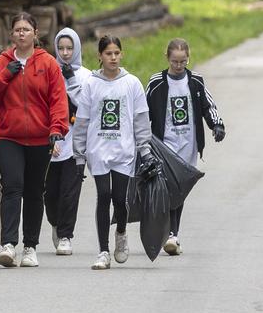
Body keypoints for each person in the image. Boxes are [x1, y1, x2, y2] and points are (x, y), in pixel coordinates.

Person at [0, 12, 69, 269]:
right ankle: (8, 244)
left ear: (35, 33)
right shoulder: (1, 62)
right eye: (17, 29)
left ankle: (30, 246)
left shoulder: (48, 63)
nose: (21, 33)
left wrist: (57, 129)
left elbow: (58, 100)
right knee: (12, 186)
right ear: (11, 34)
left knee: (33, 191)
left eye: (26, 29)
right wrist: (5, 75)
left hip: (41, 138)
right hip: (8, 136)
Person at [73, 35, 152, 270]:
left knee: (120, 199)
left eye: (117, 53)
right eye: (108, 53)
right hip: (98, 149)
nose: (113, 57)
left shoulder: (132, 83)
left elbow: (140, 119)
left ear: (122, 54)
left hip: (123, 150)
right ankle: (103, 251)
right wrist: (79, 154)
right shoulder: (90, 84)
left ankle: (121, 231)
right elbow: (83, 120)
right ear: (99, 56)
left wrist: (144, 148)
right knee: (103, 195)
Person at [145, 38, 226, 256]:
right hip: (165, 144)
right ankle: (171, 233)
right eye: (175, 62)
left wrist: (216, 125)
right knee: (169, 187)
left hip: (189, 144)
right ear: (167, 58)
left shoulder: (196, 81)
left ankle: (172, 234)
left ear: (188, 58)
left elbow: (208, 106)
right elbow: (143, 112)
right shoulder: (156, 83)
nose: (179, 66)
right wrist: (141, 137)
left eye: (183, 61)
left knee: (180, 189)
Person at [44, 26, 90, 255]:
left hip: (75, 144)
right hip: (52, 142)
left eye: (69, 48)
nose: (65, 53)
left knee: (70, 192)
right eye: (60, 48)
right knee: (50, 194)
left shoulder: (86, 76)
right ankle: (55, 222)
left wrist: (71, 82)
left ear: (77, 49)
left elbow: (87, 108)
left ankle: (65, 235)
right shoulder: (48, 71)